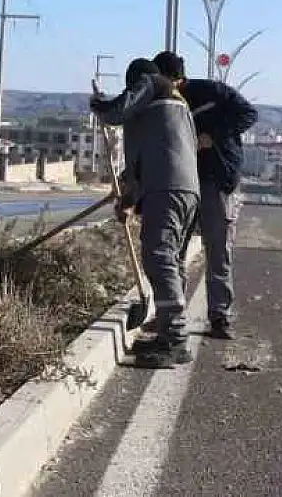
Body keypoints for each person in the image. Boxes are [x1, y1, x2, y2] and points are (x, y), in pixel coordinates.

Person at [91, 58, 201, 368]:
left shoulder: (153, 84)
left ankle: (175, 340)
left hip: (166, 189)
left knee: (159, 258)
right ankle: (171, 331)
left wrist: (99, 104)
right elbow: (147, 157)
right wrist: (128, 199)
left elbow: (117, 110)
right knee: (172, 260)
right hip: (186, 191)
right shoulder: (175, 108)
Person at [152, 50, 258, 340]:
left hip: (216, 180)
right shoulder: (162, 103)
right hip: (183, 182)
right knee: (174, 250)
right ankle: (172, 314)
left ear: (175, 78)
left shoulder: (211, 92)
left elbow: (249, 114)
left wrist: (214, 135)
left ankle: (220, 316)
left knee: (218, 248)